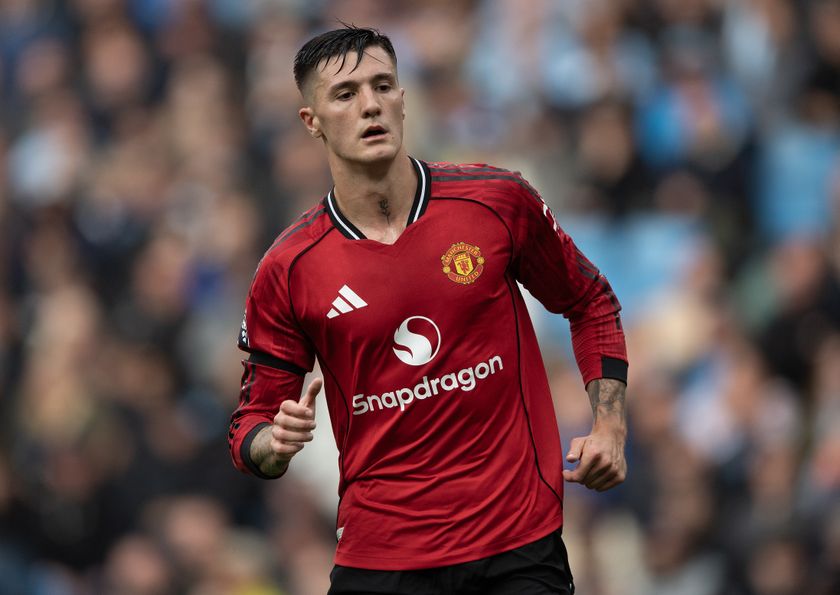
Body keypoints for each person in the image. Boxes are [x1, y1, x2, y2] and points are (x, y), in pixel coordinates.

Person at [228, 25, 628, 595]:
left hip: (516, 546)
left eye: (383, 85)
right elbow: (250, 428)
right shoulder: (288, 269)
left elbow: (589, 300)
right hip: (383, 557)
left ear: (403, 99)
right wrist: (274, 442)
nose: (370, 104)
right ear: (310, 121)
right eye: (345, 95)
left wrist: (610, 425)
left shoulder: (496, 202)